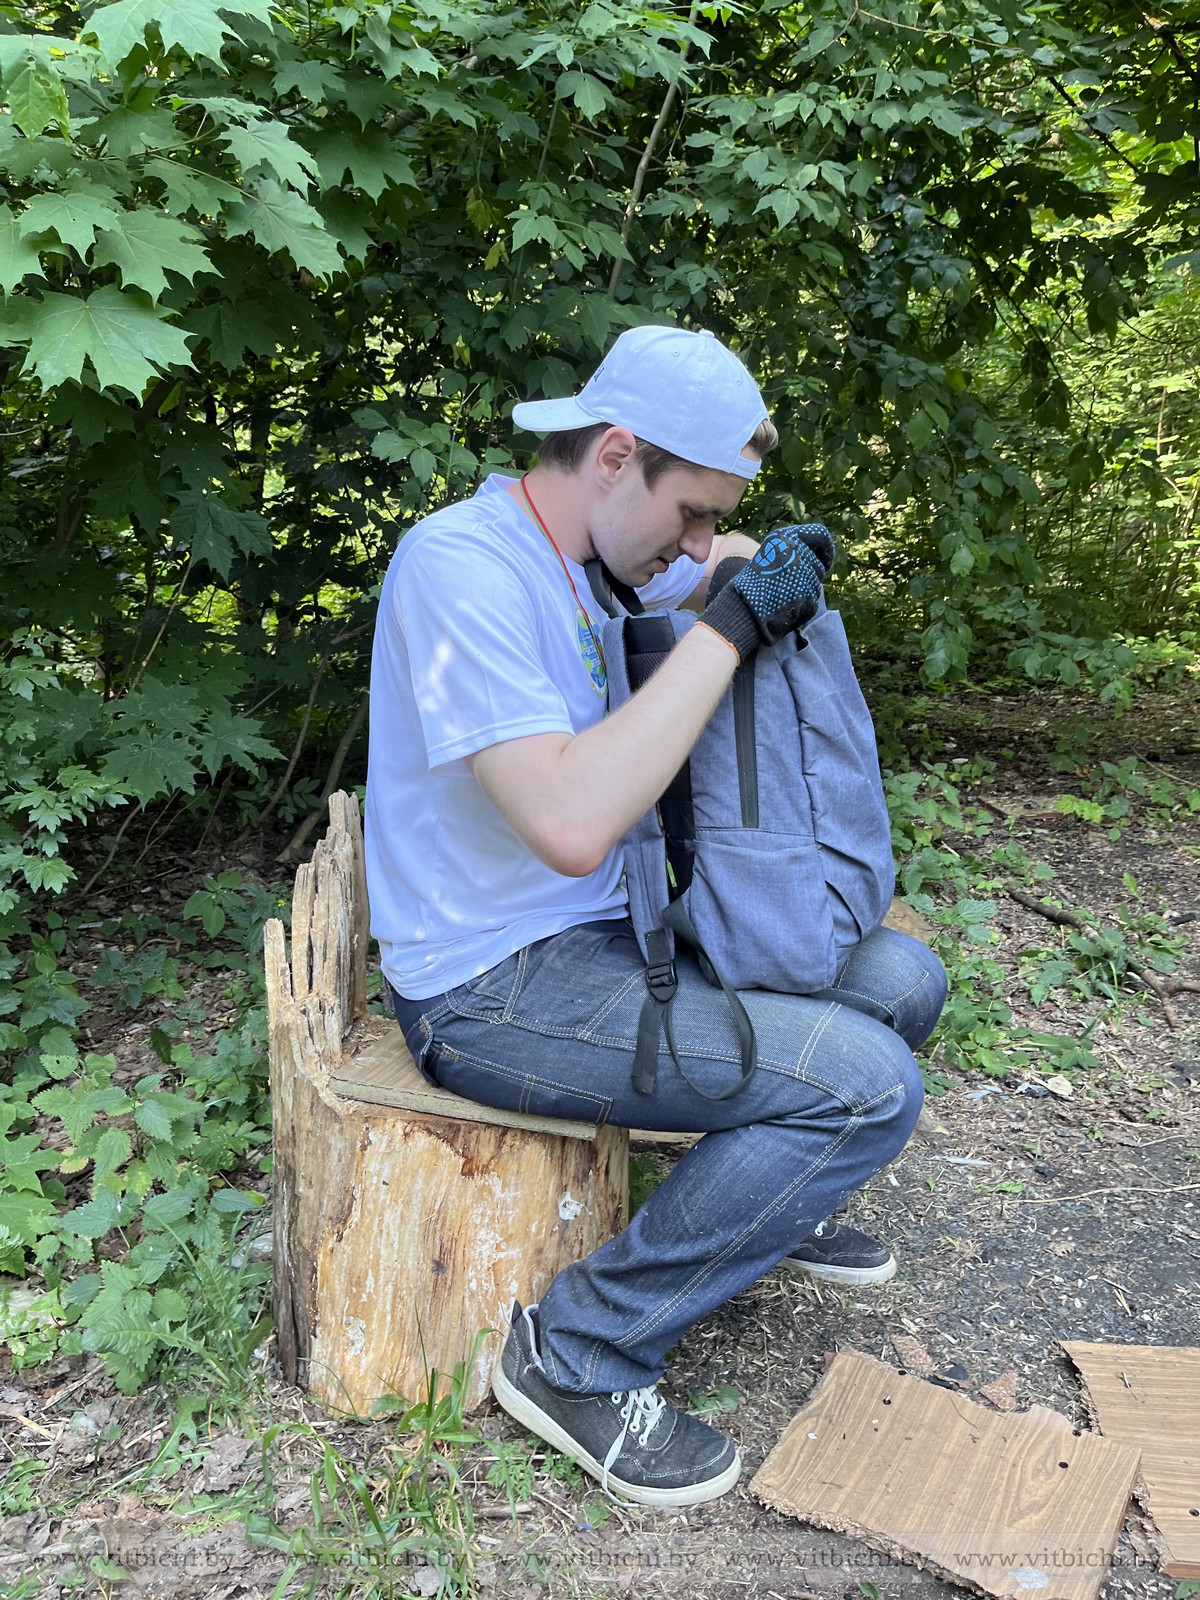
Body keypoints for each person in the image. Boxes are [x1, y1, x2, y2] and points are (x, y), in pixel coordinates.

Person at [364, 325, 947, 1509]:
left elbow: (723, 560)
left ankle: (765, 1206)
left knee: (900, 982)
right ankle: (579, 1349)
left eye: (707, 518)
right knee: (867, 1086)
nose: (692, 543)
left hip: (614, 940)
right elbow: (572, 820)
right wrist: (728, 629)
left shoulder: (603, 555)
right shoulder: (463, 567)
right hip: (490, 983)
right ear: (616, 454)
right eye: (687, 512)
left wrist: (751, 554)